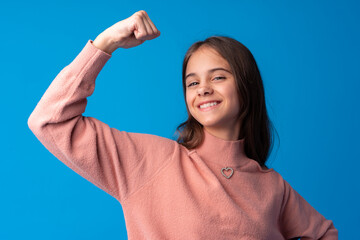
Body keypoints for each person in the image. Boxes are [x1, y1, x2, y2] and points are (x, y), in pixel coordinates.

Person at [28, 10, 338, 239]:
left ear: (247, 87)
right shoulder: (150, 161)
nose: (203, 88)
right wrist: (106, 43)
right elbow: (49, 121)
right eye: (192, 83)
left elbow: (326, 234)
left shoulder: (273, 187)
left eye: (218, 77)